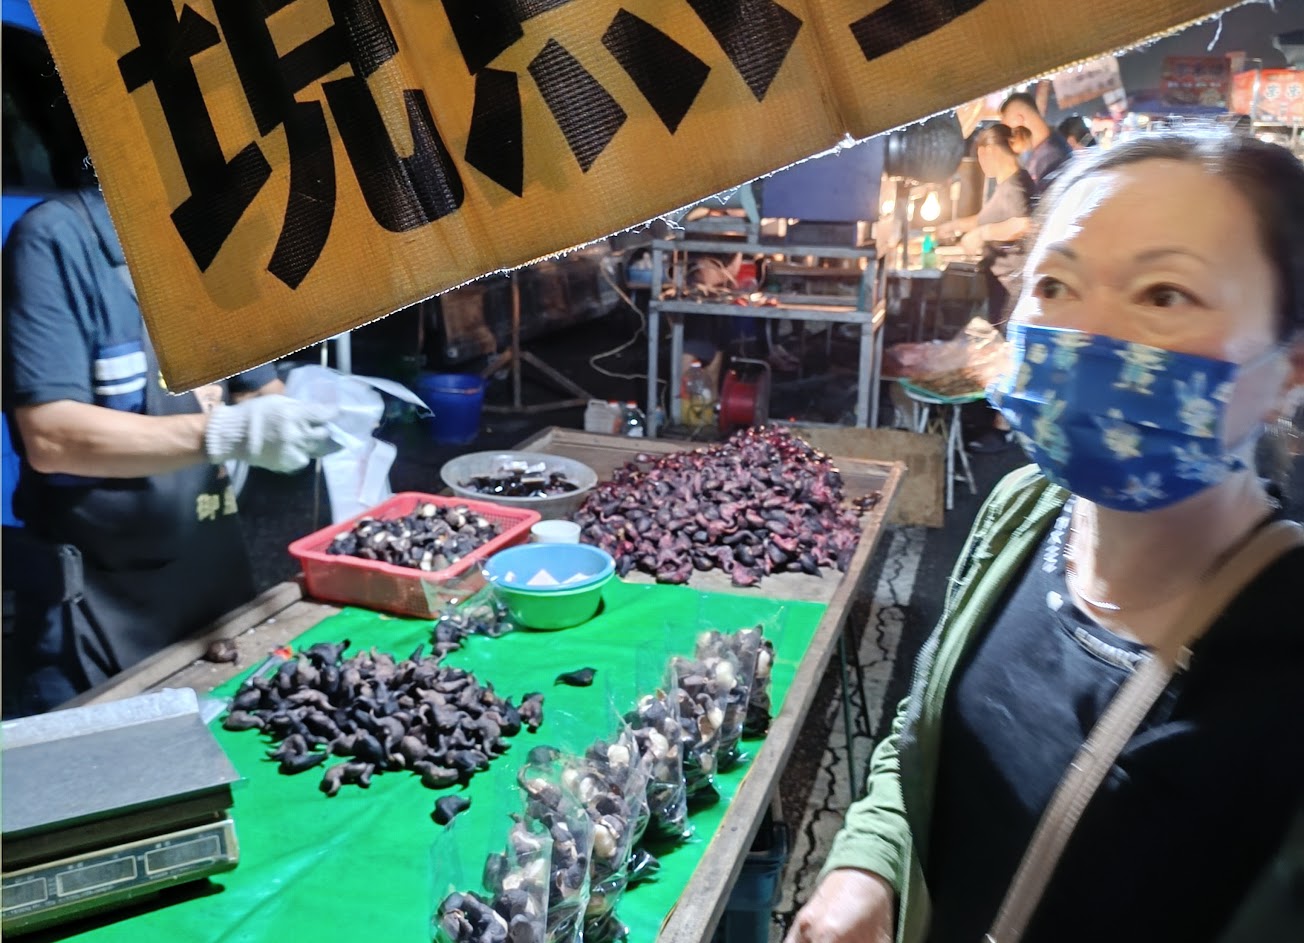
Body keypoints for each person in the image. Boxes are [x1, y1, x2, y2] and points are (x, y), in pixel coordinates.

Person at [786, 130, 1304, 943]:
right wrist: (870, 865)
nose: (1087, 332)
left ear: (1290, 368)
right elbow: (923, 733)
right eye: (1055, 283)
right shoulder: (1023, 513)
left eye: (1165, 294)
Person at [2, 184, 339, 716]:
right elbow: (51, 437)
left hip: (214, 586)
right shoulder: (55, 240)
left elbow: (258, 388)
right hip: (96, 612)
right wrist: (225, 434)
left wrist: (298, 418)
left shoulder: (213, 237)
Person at [936, 124, 1035, 324]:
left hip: (1010, 290)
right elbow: (987, 218)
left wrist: (982, 234)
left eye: (980, 156)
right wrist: (954, 226)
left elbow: (1025, 224)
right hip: (1001, 286)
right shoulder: (1007, 183)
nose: (980, 163)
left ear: (990, 151)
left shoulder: (1016, 185)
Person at [999, 91, 1073, 193]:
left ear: (1019, 121)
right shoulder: (1053, 148)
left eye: (1008, 133)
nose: (1009, 141)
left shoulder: (1049, 160)